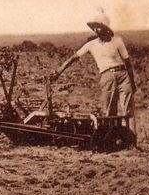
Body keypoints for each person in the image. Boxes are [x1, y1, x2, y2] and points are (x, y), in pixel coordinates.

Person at [50, 10, 137, 142]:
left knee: (128, 111)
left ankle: (132, 142)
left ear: (106, 28)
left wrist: (132, 82)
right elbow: (74, 58)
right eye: (95, 27)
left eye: (99, 27)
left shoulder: (117, 41)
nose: (96, 30)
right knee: (109, 111)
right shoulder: (91, 44)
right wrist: (58, 71)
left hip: (123, 75)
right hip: (107, 76)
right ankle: (111, 141)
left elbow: (127, 62)